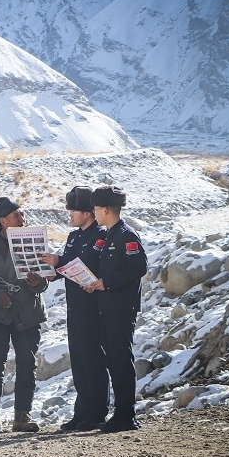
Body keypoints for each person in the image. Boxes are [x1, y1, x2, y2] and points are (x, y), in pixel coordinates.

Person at [0, 197, 48, 434]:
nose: (22, 218)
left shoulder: (33, 240)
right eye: (17, 215)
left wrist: (38, 283)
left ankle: (23, 415)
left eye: (22, 214)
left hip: (27, 309)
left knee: (27, 362)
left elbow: (44, 274)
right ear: (3, 221)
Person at [40, 186, 109, 431]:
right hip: (75, 307)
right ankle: (81, 412)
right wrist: (52, 271)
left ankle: (97, 413)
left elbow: (88, 263)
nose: (69, 215)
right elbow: (68, 266)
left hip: (94, 307)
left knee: (93, 360)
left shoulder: (101, 235)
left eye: (73, 211)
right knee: (79, 361)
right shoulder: (73, 237)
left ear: (87, 213)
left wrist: (60, 262)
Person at [87, 185, 148, 432]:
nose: (94, 214)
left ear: (104, 210)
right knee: (113, 359)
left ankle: (126, 414)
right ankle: (121, 412)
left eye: (95, 209)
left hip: (121, 308)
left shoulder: (126, 235)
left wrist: (107, 283)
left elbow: (138, 268)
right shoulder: (109, 234)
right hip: (107, 306)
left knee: (121, 359)